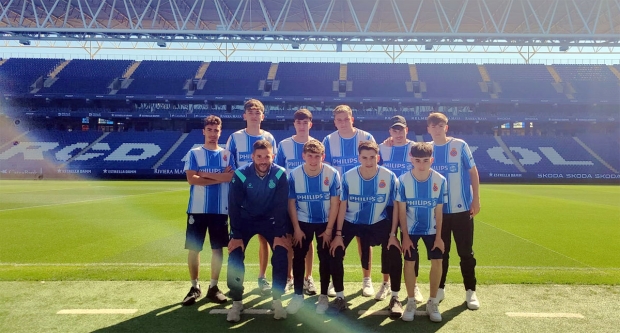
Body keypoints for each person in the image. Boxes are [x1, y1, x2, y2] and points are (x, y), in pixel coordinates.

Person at [328, 141, 403, 318]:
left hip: (379, 221)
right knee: (335, 251)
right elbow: (342, 206)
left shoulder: (390, 177)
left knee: (393, 251)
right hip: (351, 221)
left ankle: (395, 298)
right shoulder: (347, 176)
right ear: (358, 158)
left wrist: (393, 235)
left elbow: (396, 207)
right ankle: (339, 297)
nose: (369, 161)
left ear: (378, 157)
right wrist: (338, 234)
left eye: (372, 157)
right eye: (364, 157)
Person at [226, 140, 291, 322]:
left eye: (267, 156)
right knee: (235, 255)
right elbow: (234, 205)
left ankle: (277, 301)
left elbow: (281, 205)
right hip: (246, 220)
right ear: (252, 156)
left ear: (273, 156)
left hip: (270, 220)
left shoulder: (280, 174)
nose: (263, 160)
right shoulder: (240, 174)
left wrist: (279, 233)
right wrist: (236, 235)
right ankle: (237, 301)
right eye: (259, 156)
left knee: (281, 253)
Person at [427, 112, 481, 310]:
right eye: (433, 126)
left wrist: (476, 199)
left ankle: (470, 291)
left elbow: (473, 172)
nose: (437, 129)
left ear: (446, 127)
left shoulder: (459, 145)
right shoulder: (428, 149)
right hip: (438, 212)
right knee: (442, 252)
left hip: (462, 209)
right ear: (428, 129)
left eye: (440, 125)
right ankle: (440, 288)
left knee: (465, 252)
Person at [322, 104, 377, 297]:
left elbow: (375, 166)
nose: (343, 123)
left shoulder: (366, 137)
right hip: (338, 200)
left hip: (362, 199)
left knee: (365, 241)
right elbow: (326, 170)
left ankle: (367, 279)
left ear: (352, 119)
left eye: (346, 119)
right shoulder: (329, 140)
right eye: (339, 120)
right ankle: (333, 280)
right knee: (336, 242)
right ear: (334, 121)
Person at [226, 99, 277, 296]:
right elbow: (228, 164)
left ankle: (262, 277)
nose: (254, 115)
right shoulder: (235, 137)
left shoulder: (269, 138)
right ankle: (236, 286)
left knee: (264, 240)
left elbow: (274, 165)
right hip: (242, 200)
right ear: (244, 115)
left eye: (258, 112)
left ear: (263, 116)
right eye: (251, 112)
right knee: (238, 242)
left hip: (264, 199)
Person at [181, 115, 232, 307]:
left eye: (216, 131)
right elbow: (192, 180)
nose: (213, 134)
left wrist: (204, 173)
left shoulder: (226, 154)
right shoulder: (194, 153)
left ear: (220, 132)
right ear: (204, 131)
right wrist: (220, 176)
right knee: (194, 249)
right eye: (209, 130)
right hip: (197, 209)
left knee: (217, 248)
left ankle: (213, 287)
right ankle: (194, 287)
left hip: (220, 209)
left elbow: (230, 177)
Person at [286, 139, 341, 315]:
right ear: (303, 156)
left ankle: (323, 296)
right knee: (298, 257)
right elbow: (291, 203)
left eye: (317, 156)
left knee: (325, 258)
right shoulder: (294, 175)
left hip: (325, 222)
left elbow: (335, 204)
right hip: (302, 221)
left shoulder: (332, 174)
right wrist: (296, 228)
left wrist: (329, 230)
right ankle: (297, 295)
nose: (313, 160)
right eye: (310, 156)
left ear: (322, 157)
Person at [396, 142, 447, 322]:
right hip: (410, 230)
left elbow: (439, 211)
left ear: (431, 160)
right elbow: (402, 211)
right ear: (411, 160)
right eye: (417, 160)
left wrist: (440, 237)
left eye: (425, 160)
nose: (422, 165)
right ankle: (411, 301)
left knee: (437, 260)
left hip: (432, 229)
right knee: (409, 262)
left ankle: (432, 302)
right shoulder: (403, 180)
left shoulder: (440, 180)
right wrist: (406, 237)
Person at [376, 115, 423, 303]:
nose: (397, 133)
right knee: (388, 245)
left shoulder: (414, 148)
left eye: (400, 130)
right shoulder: (383, 148)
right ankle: (386, 283)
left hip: (411, 204)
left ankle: (414, 285)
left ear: (406, 130)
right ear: (390, 132)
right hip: (387, 204)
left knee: (411, 244)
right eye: (394, 130)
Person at [275, 109, 318, 296]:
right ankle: (289, 277)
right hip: (289, 201)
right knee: (290, 241)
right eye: (298, 122)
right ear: (294, 124)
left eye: (305, 122)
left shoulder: (317, 145)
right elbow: (277, 171)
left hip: (311, 202)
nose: (302, 125)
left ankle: (309, 277)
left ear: (310, 124)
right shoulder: (284, 145)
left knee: (308, 242)